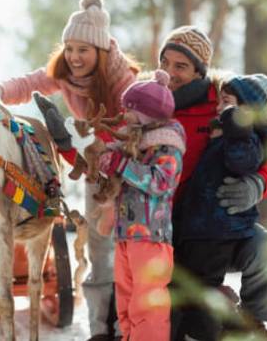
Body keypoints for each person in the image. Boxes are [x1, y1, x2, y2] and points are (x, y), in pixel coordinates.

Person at [0, 0, 139, 340]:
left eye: (83, 50)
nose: (73, 57)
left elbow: (135, 129)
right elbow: (28, 84)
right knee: (99, 249)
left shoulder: (122, 82)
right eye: (69, 48)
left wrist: (107, 155)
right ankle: (102, 330)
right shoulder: (64, 73)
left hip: (130, 171)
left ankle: (130, 326)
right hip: (92, 167)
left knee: (127, 248)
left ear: (100, 51)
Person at [157, 26, 267, 341]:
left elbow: (266, 157)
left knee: (265, 248)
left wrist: (257, 185)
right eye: (165, 63)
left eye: (181, 66)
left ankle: (253, 320)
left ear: (201, 70)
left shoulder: (224, 100)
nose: (170, 73)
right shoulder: (150, 101)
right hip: (165, 225)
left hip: (216, 223)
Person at [95, 69, 186, 341]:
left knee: (147, 305)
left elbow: (162, 183)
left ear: (146, 115)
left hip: (151, 236)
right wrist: (106, 164)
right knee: (126, 301)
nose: (124, 114)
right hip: (126, 235)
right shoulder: (134, 145)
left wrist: (122, 165)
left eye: (129, 110)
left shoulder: (167, 147)